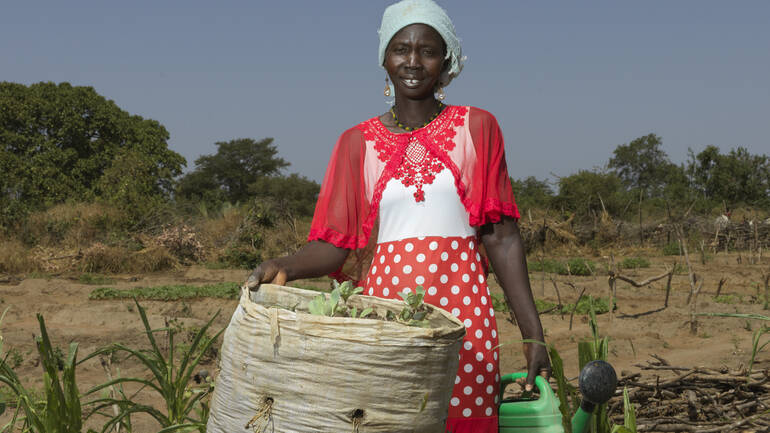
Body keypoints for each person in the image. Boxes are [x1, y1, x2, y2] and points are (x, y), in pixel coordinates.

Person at [246, 0, 551, 431]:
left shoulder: (477, 128)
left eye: (428, 51)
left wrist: (533, 334)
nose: (413, 62)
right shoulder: (357, 143)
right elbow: (334, 246)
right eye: (401, 49)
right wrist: (284, 266)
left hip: (464, 320)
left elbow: (501, 238)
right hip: (385, 324)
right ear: (385, 59)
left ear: (446, 61)